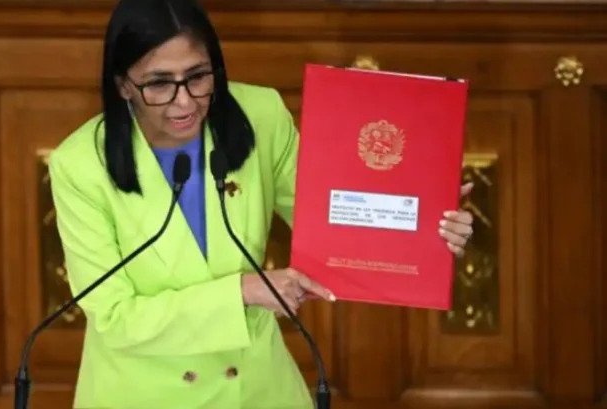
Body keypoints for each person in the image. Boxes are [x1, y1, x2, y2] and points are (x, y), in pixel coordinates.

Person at [47, 0, 474, 408]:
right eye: (159, 83)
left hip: (257, 389)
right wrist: (241, 292)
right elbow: (115, 317)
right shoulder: (80, 164)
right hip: (143, 394)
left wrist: (423, 225)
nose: (185, 101)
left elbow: (331, 225)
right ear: (123, 84)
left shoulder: (260, 115)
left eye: (198, 76)